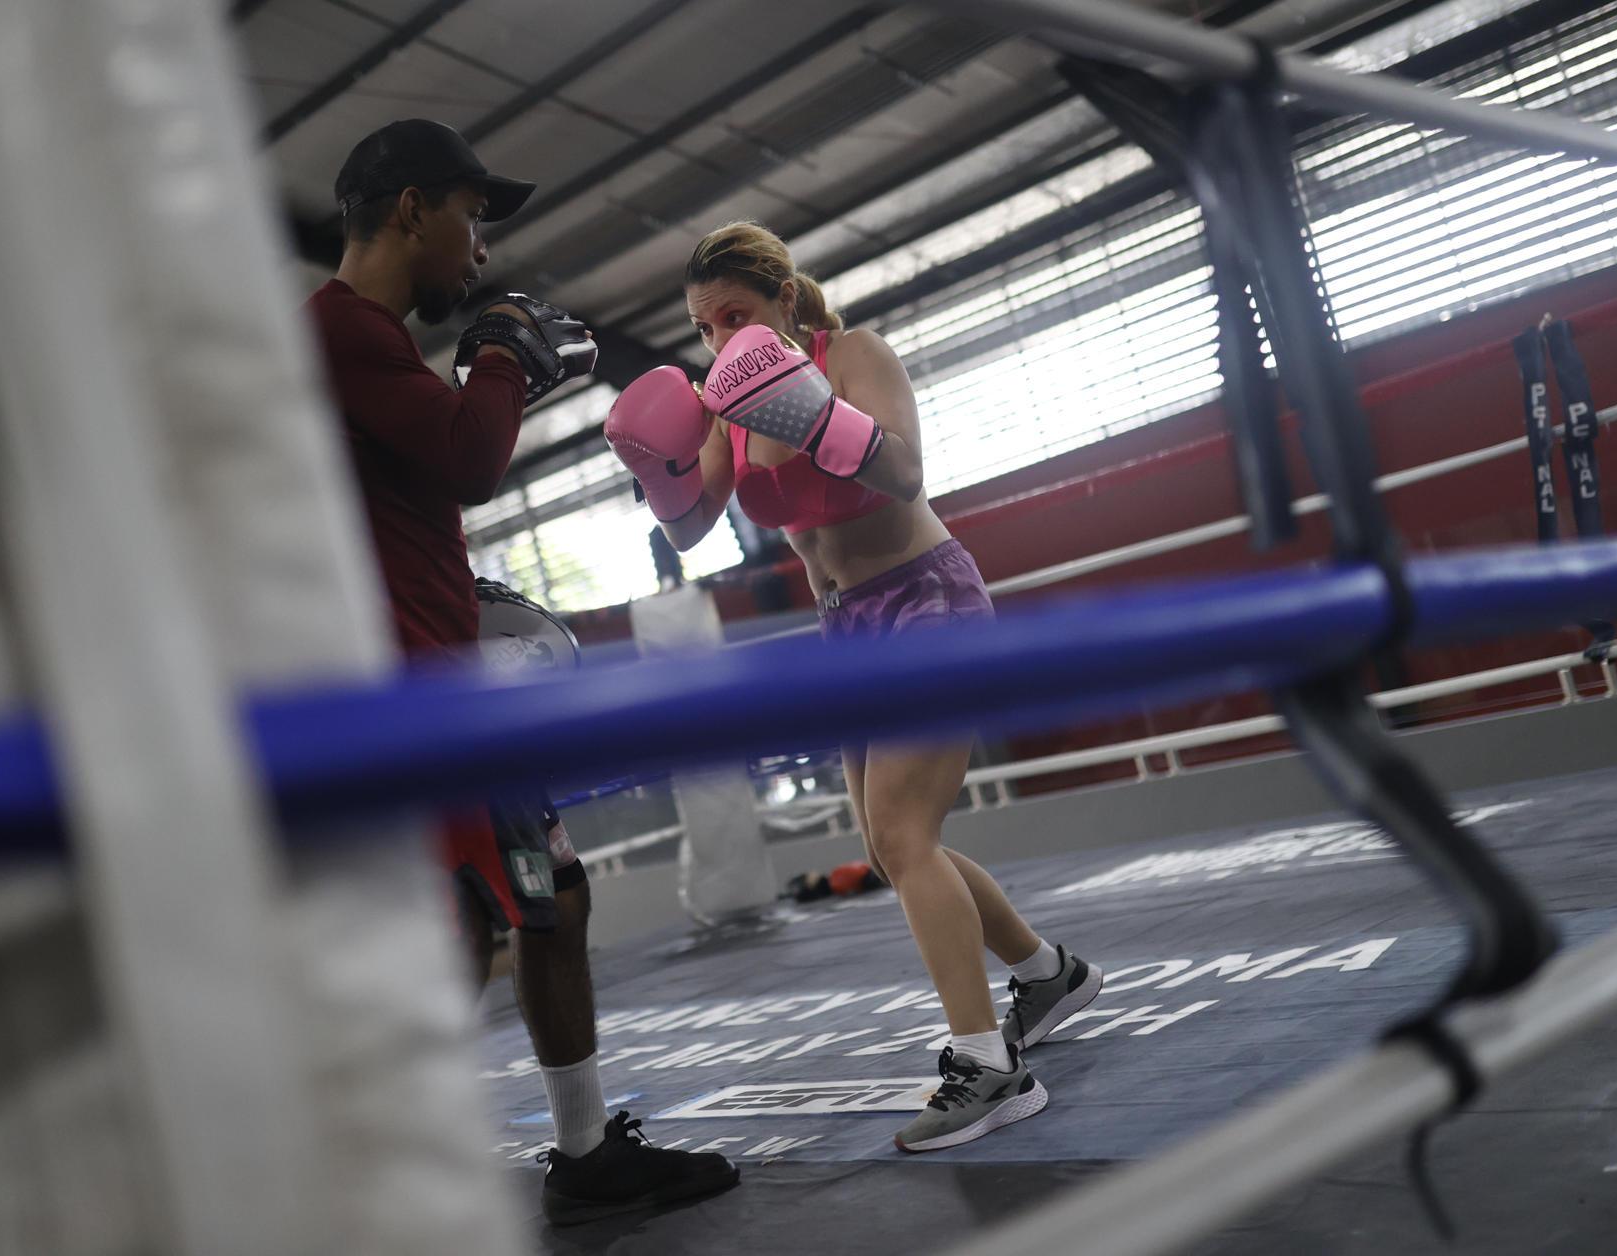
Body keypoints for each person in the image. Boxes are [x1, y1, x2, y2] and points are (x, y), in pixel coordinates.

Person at [303, 119, 739, 1223]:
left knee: (554, 899)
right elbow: (470, 460)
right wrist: (501, 354)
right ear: (411, 208)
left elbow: (438, 464)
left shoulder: (373, 346)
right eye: (471, 216)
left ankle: (585, 1151)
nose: (481, 249)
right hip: (409, 699)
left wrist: (492, 377)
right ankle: (369, 1198)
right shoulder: (339, 329)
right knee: (455, 928)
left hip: (448, 680)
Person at [606, 221, 1104, 1152]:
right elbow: (688, 532)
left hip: (927, 600)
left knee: (908, 837)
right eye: (703, 328)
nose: (719, 341)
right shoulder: (726, 405)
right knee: (890, 845)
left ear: (784, 301)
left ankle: (991, 1069)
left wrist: (819, 414)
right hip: (846, 629)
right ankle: (1049, 976)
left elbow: (908, 470)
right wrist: (658, 465)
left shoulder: (856, 355)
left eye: (734, 316)